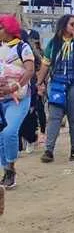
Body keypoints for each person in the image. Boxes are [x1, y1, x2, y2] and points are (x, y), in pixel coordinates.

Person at [38, 14, 74, 163]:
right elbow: (45, 64)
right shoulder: (53, 43)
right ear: (63, 26)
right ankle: (49, 150)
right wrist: (39, 83)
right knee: (54, 117)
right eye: (72, 25)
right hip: (57, 83)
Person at [0, 16, 35, 189]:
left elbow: (29, 71)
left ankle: (11, 168)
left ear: (7, 29)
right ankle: (5, 169)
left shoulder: (22, 47)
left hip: (18, 98)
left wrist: (14, 87)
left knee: (9, 132)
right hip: (1, 99)